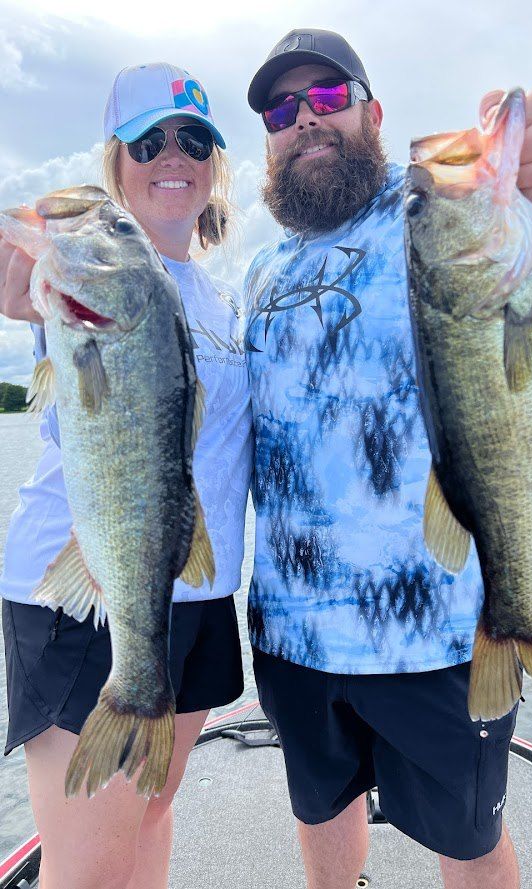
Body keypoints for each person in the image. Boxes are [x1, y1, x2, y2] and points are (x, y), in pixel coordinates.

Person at [244, 28, 532, 889]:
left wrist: (513, 158)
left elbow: (504, 204)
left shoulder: (432, 212)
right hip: (291, 630)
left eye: (328, 98)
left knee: (472, 843)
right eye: (281, 108)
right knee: (319, 812)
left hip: (438, 632)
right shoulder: (260, 270)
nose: (306, 119)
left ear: (373, 113)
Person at [0, 62, 251, 889]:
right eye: (147, 141)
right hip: (80, 599)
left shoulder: (221, 302)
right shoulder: (69, 282)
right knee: (92, 869)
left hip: (195, 594)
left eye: (192, 139)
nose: (171, 155)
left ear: (214, 162)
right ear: (115, 161)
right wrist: (25, 285)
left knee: (153, 810)